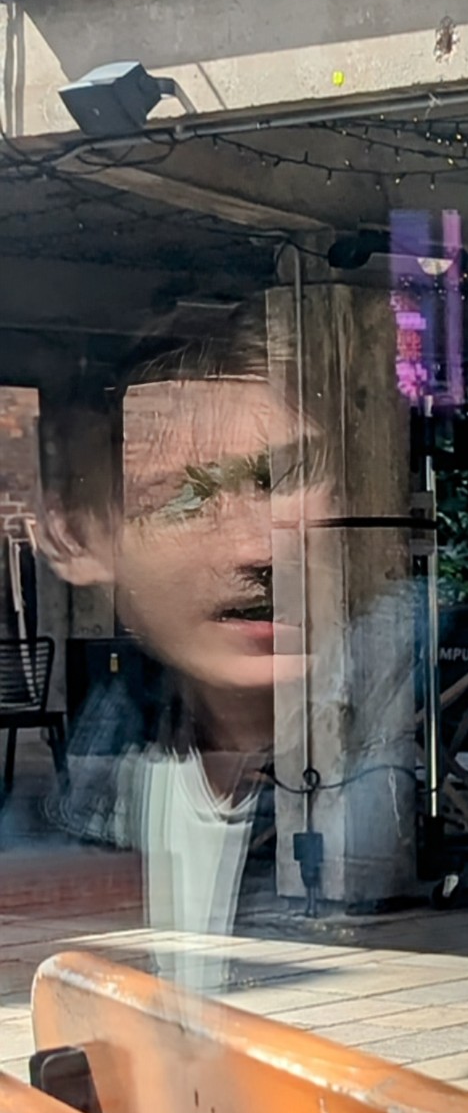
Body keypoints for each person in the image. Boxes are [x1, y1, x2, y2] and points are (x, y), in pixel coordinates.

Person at [39, 316, 319, 975]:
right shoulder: (110, 779)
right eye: (183, 499)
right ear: (76, 537)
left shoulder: (387, 782)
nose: (258, 546)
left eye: (281, 480)